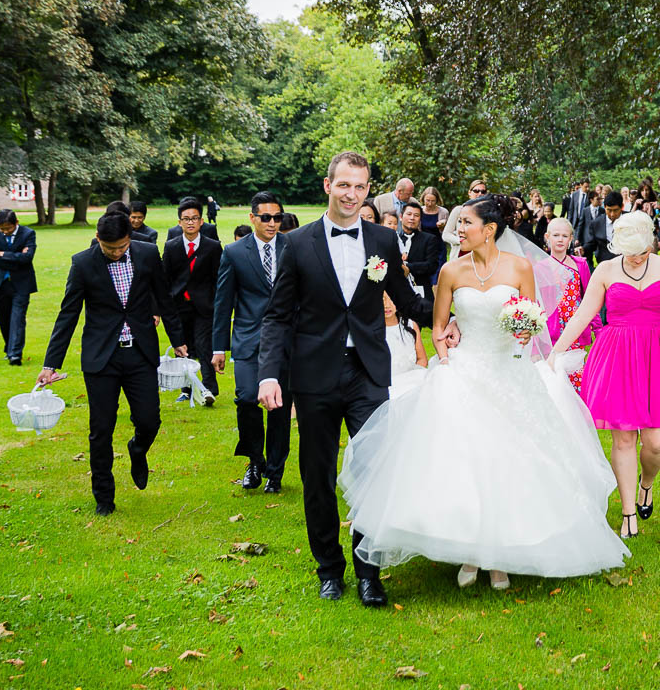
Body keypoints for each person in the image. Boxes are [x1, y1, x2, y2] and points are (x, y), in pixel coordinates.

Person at [338, 195, 629, 590]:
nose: (458, 230)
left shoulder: (521, 266)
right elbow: (439, 327)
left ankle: (502, 556)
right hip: (465, 368)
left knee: (512, 459)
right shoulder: (450, 271)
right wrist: (447, 360)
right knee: (464, 459)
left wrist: (524, 333)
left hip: (509, 369)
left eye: (465, 224)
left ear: (489, 230)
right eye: (458, 225)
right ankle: (470, 553)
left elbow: (532, 321)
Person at [256, 151, 454, 608]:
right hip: (315, 375)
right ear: (328, 186)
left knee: (372, 471)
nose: (352, 195)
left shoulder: (383, 241)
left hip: (367, 372)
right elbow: (278, 317)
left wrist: (450, 317)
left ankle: (369, 572)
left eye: (360, 187)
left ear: (369, 191)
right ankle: (329, 568)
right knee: (318, 474)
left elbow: (406, 301)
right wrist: (269, 375)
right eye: (344, 185)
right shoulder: (298, 243)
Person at [550, 211, 660, 540]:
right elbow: (583, 314)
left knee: (657, 443)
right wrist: (556, 352)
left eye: (643, 252)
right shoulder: (605, 270)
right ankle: (628, 510)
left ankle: (647, 484)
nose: (637, 259)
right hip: (616, 356)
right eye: (631, 253)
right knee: (624, 439)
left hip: (656, 355)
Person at [37, 212, 189, 516]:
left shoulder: (146, 254)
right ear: (97, 239)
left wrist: (178, 339)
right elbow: (68, 314)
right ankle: (104, 497)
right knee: (101, 430)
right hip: (101, 358)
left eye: (121, 247)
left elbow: (164, 297)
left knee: (150, 420)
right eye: (110, 249)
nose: (116, 253)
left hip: (140, 353)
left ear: (129, 239)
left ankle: (137, 449)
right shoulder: (82, 263)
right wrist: (51, 363)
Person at [213, 192, 293, 493]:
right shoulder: (234, 252)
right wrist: (218, 347)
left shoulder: (292, 247)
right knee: (247, 398)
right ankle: (254, 461)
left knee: (279, 408)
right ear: (252, 218)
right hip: (248, 340)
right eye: (266, 218)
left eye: (277, 218)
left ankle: (275, 471)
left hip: (286, 341)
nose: (273, 223)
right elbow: (223, 303)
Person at [164, 197, 222, 403]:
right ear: (179, 222)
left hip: (204, 305)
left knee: (204, 344)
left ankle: (208, 389)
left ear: (201, 221)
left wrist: (216, 302)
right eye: (186, 219)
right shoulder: (171, 246)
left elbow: (218, 278)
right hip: (179, 305)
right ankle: (186, 388)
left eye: (194, 218)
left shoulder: (213, 247)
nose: (190, 222)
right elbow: (166, 278)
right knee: (183, 347)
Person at [534, 217, 594, 385]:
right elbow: (537, 304)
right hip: (552, 330)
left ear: (570, 239)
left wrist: (597, 328)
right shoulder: (540, 268)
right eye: (556, 235)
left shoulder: (580, 265)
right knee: (555, 375)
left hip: (575, 327)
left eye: (564, 236)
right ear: (547, 237)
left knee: (576, 375)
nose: (560, 239)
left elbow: (589, 298)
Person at [0, 209, 37, 365]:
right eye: (2, 229)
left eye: (8, 228)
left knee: (17, 318)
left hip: (21, 284)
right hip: (0, 284)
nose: (5, 232)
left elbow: (27, 257)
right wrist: (16, 257)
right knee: (4, 319)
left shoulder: (28, 234)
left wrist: (5, 255)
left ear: (16, 223)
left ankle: (15, 354)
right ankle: (9, 348)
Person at [395, 201, 444, 302]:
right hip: (397, 291)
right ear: (401, 217)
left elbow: (432, 265)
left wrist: (408, 267)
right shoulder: (393, 239)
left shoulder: (430, 239)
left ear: (420, 219)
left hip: (422, 291)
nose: (412, 218)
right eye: (409, 214)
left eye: (416, 215)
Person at [382, 292, 428, 400]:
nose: (387, 305)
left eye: (391, 299)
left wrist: (412, 380)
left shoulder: (410, 325)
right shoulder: (372, 330)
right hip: (388, 386)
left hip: (412, 383)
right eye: (382, 299)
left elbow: (422, 359)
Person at [441, 177, 489, 255]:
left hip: (479, 257)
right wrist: (460, 240)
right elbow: (446, 235)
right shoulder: (458, 210)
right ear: (469, 193)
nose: (480, 194)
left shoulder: (488, 213)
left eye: (483, 191)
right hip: (459, 256)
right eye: (476, 191)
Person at [586, 190, 624, 266]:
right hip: (605, 265)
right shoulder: (596, 224)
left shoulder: (631, 220)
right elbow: (591, 245)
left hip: (626, 264)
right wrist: (583, 249)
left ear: (622, 207)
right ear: (604, 207)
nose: (612, 214)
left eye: (615, 210)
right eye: (609, 210)